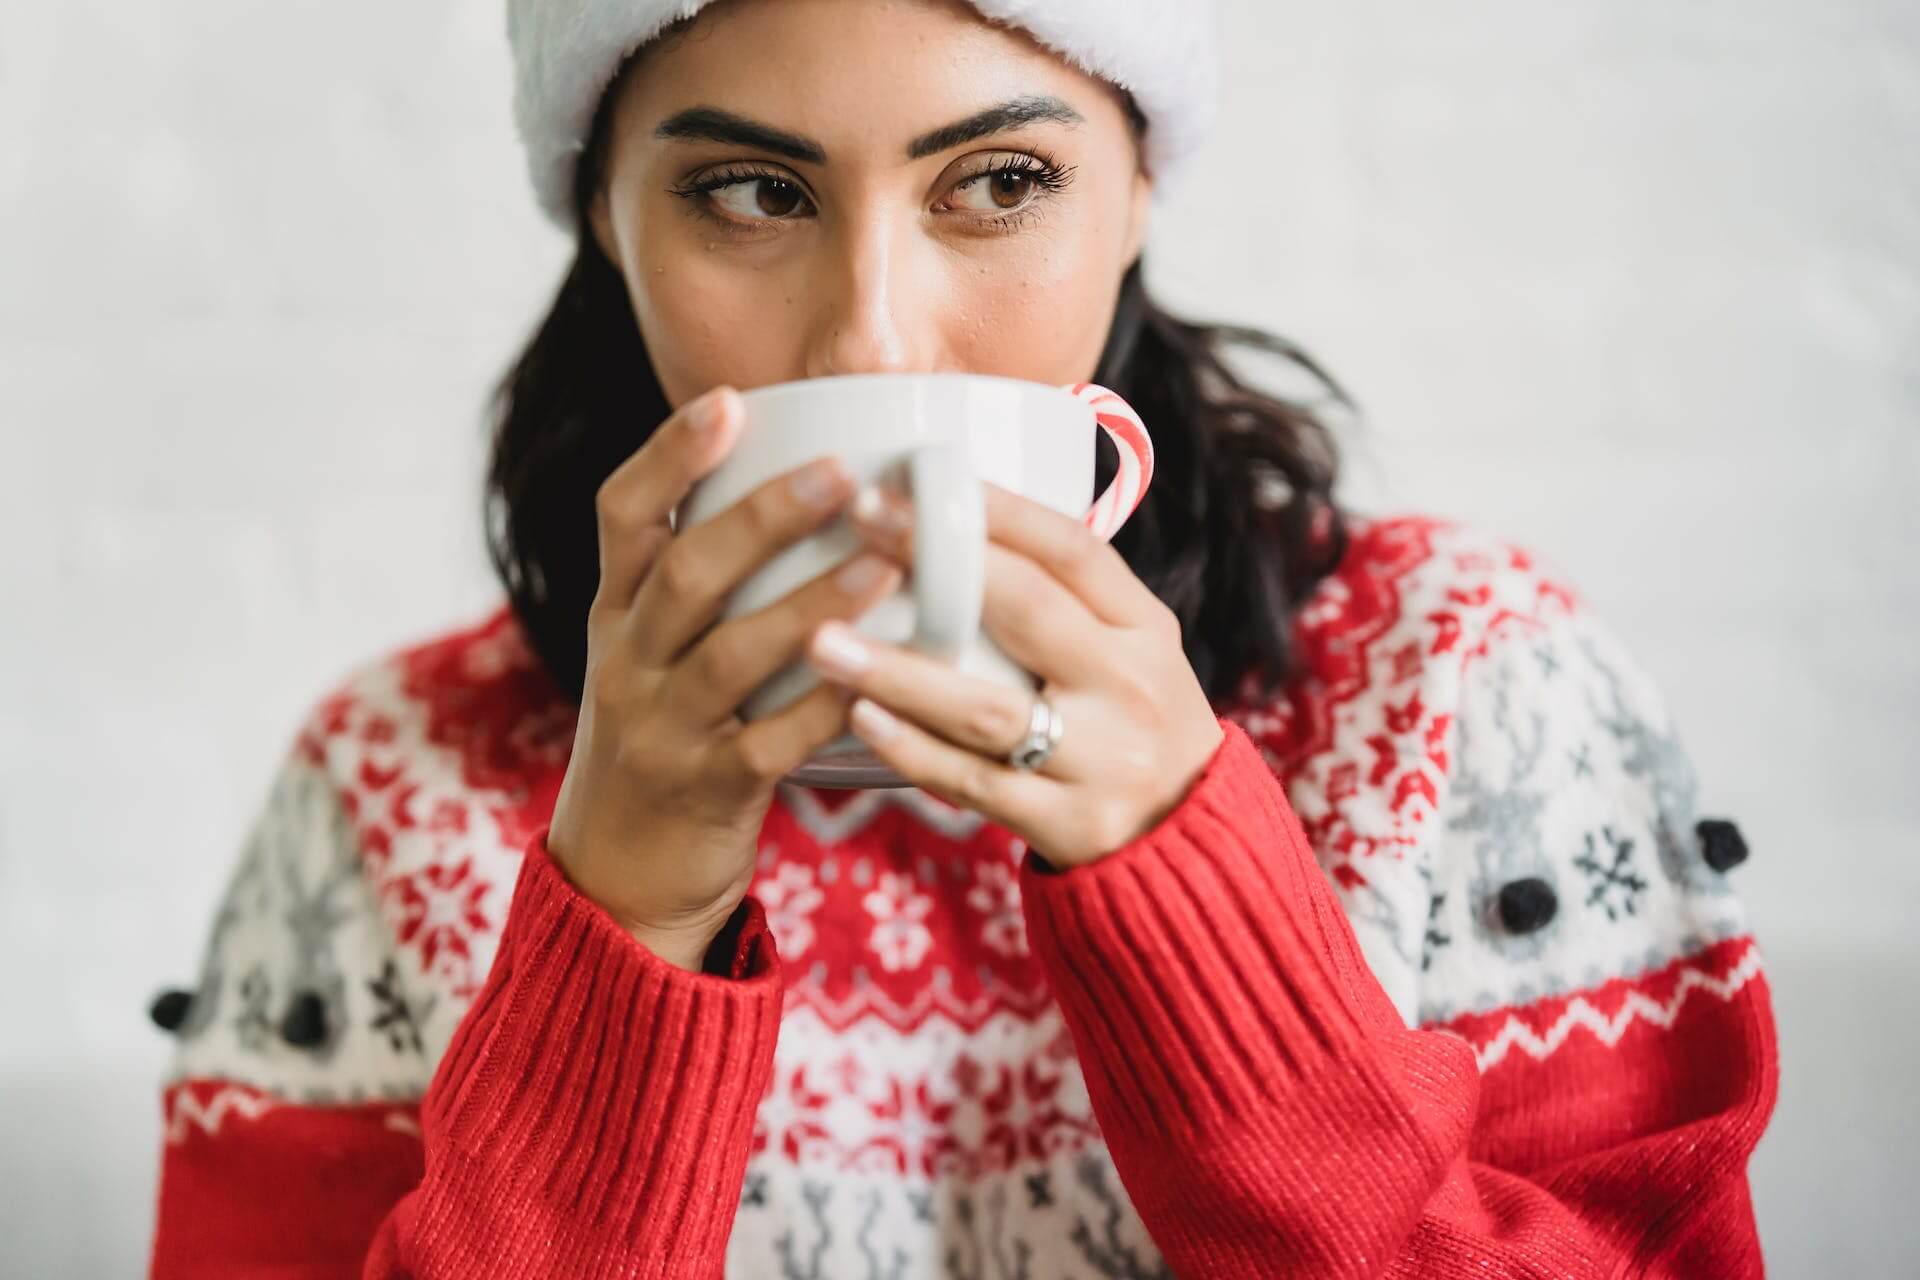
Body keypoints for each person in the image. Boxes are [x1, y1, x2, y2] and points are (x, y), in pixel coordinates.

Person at [145, 0, 1779, 1275]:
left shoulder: (1463, 690)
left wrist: (1202, 906)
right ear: (603, 216)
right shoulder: (391, 784)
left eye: (999, 182)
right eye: (748, 192)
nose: (874, 331)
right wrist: (623, 922)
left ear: (1139, 183)